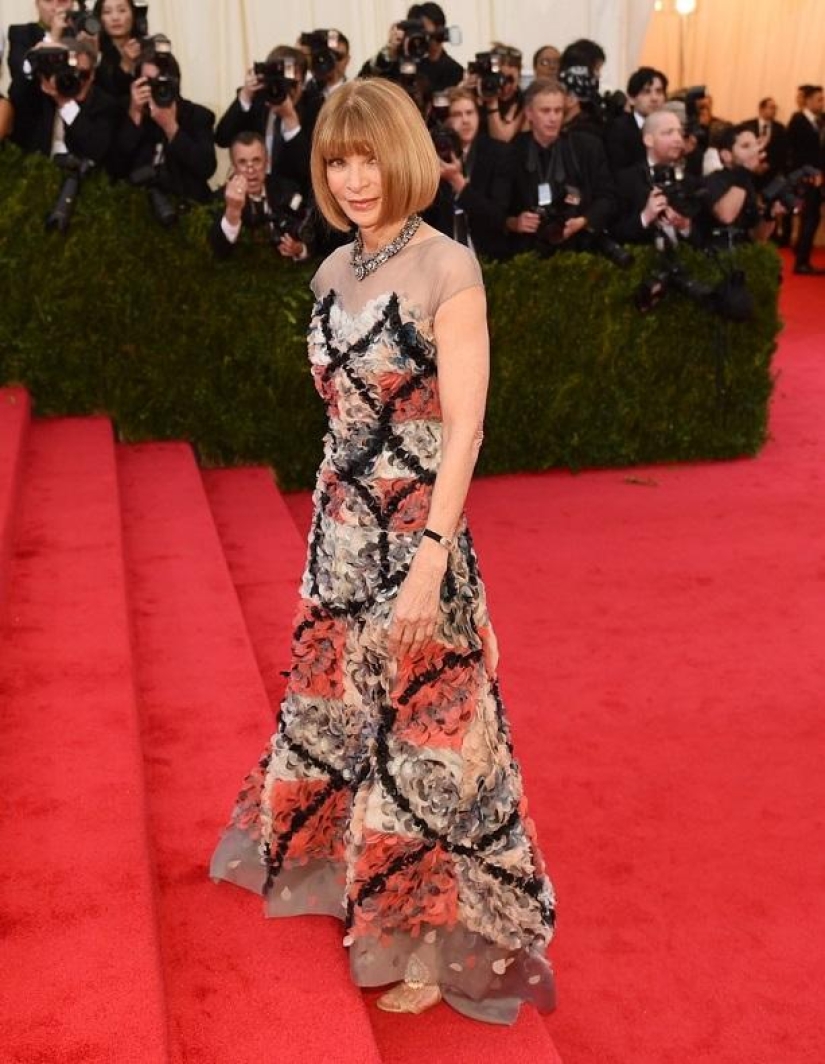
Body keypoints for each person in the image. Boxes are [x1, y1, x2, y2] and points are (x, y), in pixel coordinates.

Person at [210, 76, 556, 1025]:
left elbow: (466, 430)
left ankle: (429, 943)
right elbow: (336, 422)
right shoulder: (328, 273)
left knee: (424, 744)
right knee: (342, 716)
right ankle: (356, 882)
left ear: (401, 155)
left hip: (418, 541)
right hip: (339, 538)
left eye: (368, 157)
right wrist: (327, 537)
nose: (355, 179)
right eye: (336, 161)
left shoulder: (450, 269)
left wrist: (434, 563)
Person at [506, 78, 617, 257]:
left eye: (558, 111)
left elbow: (608, 197)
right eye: (545, 111)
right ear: (529, 113)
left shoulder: (586, 148)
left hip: (577, 250)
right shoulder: (513, 151)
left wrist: (583, 220)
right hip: (525, 252)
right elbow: (497, 208)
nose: (553, 118)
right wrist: (514, 222)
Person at [115, 38, 216, 202]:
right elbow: (116, 167)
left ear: (175, 83)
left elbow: (206, 167)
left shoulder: (198, 116)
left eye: (161, 82)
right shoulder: (126, 111)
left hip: (187, 208)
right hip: (138, 209)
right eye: (148, 82)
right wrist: (135, 114)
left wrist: (171, 128)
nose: (155, 88)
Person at [425, 84, 512, 258]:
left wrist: (458, 182)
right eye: (457, 114)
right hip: (442, 255)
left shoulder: (498, 154)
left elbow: (497, 217)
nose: (465, 120)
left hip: (486, 256)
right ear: (445, 120)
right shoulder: (431, 155)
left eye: (470, 113)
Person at [215, 46, 313, 198]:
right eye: (280, 81)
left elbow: (309, 170)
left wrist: (290, 120)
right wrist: (245, 96)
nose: (287, 89)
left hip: (293, 199)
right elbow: (222, 138)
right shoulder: (257, 102)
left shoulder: (314, 109)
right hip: (252, 194)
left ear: (303, 83)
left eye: (292, 83)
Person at [9, 36, 118, 164]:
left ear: (93, 74)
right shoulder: (39, 93)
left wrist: (65, 103)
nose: (78, 82)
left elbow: (95, 150)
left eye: (83, 75)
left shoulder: (105, 104)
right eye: (70, 74)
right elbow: (15, 94)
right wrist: (34, 56)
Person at [612, 108, 696, 247]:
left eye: (680, 133)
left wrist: (684, 226)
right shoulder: (625, 180)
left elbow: (703, 240)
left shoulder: (689, 182)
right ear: (648, 140)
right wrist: (645, 217)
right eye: (668, 133)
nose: (677, 139)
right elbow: (615, 233)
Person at [787, 85, 825, 275]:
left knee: (812, 218)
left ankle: (802, 255)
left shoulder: (820, 121)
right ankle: (801, 262)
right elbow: (796, 153)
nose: (822, 103)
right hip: (806, 178)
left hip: (819, 177)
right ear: (808, 100)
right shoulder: (798, 121)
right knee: (810, 217)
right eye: (819, 99)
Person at [604, 66, 668, 176]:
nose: (654, 98)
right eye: (646, 92)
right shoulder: (619, 129)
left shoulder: (670, 127)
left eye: (659, 92)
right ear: (631, 99)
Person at [474, 43, 526, 144]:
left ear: (519, 78)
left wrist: (492, 102)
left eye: (510, 79)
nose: (505, 86)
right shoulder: (475, 94)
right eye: (499, 78)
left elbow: (501, 138)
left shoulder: (523, 101)